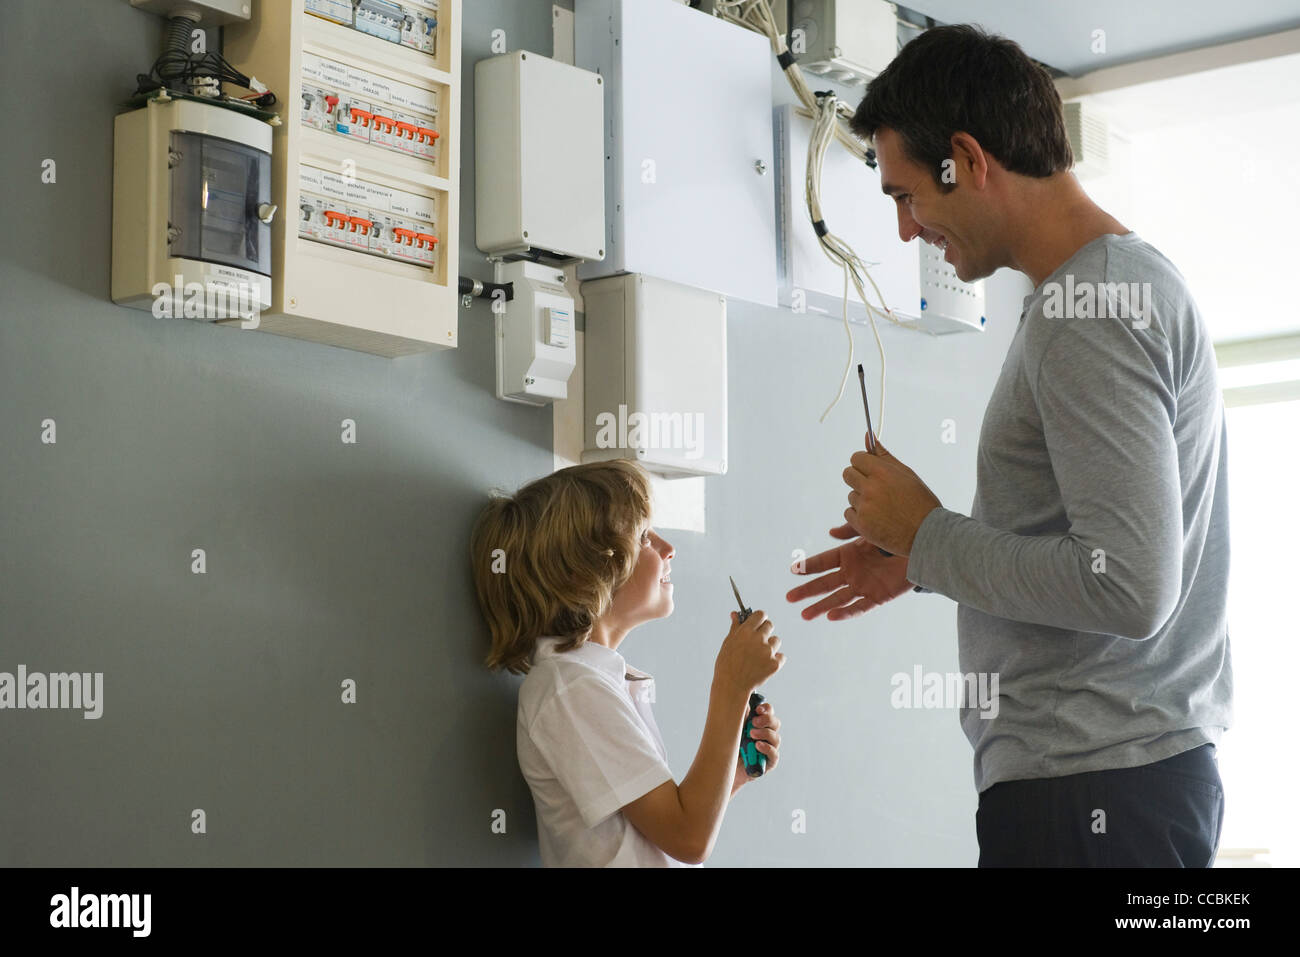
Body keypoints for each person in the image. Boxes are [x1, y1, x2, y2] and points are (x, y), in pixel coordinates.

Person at [788, 24, 1231, 867]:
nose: (909, 232)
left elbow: (1132, 587)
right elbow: (1105, 562)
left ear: (966, 158)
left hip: (1093, 794)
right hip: (1113, 786)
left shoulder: (1090, 310)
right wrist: (926, 561)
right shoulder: (1104, 292)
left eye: (907, 195)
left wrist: (930, 539)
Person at [471, 460, 784, 866]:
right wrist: (731, 686)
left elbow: (660, 829)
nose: (668, 548)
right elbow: (689, 838)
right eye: (644, 538)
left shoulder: (592, 681)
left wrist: (734, 773)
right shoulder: (570, 688)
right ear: (589, 571)